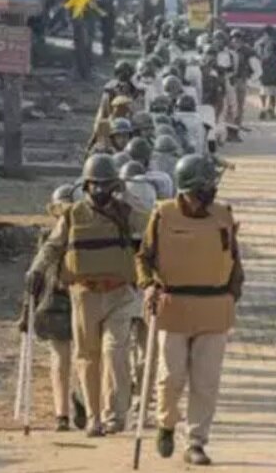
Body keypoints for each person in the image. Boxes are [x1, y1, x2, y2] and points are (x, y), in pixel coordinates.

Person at [25, 155, 148, 437]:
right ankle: (93, 417)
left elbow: (151, 221)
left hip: (120, 293)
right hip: (84, 295)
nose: (101, 191)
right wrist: (36, 270)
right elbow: (52, 247)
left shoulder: (125, 211)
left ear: (115, 184)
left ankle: (115, 415)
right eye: (96, 185)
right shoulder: (73, 215)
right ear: (87, 185)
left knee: (114, 351)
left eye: (107, 185)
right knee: (87, 356)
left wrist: (127, 195)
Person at [136, 154, 244, 466]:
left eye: (209, 190)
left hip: (214, 307)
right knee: (170, 378)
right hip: (173, 306)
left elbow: (235, 261)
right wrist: (148, 285)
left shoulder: (223, 215)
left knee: (206, 381)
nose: (205, 198)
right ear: (186, 191)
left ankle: (196, 441)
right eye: (200, 191)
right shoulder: (163, 215)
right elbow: (144, 257)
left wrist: (232, 294)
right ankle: (166, 423)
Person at [19, 184, 88, 432]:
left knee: (72, 357)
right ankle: (70, 406)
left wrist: (27, 310)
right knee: (74, 356)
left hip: (71, 297)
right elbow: (37, 276)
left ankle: (71, 407)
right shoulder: (59, 235)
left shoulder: (62, 235)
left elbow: (36, 275)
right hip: (69, 298)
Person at [257, 26, 276, 120]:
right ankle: (271, 110)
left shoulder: (258, 43)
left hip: (262, 70)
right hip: (273, 70)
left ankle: (263, 108)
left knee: (263, 90)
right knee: (273, 92)